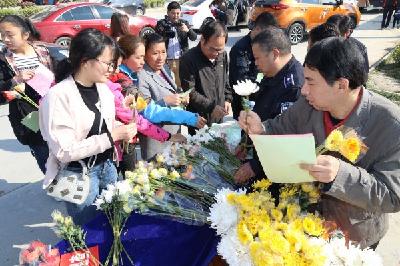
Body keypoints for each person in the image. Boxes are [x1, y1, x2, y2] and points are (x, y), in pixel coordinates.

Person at [238, 37, 400, 250]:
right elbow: (281, 126)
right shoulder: (307, 105)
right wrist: (261, 129)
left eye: (311, 82)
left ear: (342, 85)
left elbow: (392, 196)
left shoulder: (390, 123)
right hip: (307, 222)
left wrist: (341, 174)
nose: (303, 90)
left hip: (355, 239)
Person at [39, 29, 137, 224]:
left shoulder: (103, 89)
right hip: (79, 175)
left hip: (107, 167)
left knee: (116, 223)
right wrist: (112, 136)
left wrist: (122, 129)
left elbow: (102, 124)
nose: (112, 69)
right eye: (108, 63)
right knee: (88, 232)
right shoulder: (59, 96)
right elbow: (64, 151)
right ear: (85, 61)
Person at [234, 27, 304, 189]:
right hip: (262, 156)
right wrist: (247, 144)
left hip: (276, 171)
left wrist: (255, 166)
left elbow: (286, 138)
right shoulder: (274, 73)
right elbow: (263, 112)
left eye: (258, 58)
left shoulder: (293, 87)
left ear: (274, 54)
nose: (256, 64)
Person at [137, 33, 206, 160]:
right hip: (156, 139)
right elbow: (145, 112)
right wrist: (165, 101)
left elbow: (171, 90)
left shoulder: (164, 68)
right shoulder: (141, 76)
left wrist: (181, 97)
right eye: (155, 53)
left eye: (163, 52)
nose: (160, 57)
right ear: (145, 54)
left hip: (174, 132)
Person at [0, 15, 53, 174]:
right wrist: (16, 80)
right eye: (2, 35)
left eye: (10, 34)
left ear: (25, 34)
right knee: (41, 150)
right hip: (28, 115)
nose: (5, 39)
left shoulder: (43, 51)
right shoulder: (3, 59)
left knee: (60, 147)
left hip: (52, 108)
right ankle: (53, 183)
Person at [180, 19, 232, 135]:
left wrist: (228, 98)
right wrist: (211, 107)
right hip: (198, 120)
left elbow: (225, 77)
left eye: (220, 49)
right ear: (203, 39)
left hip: (219, 115)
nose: (216, 54)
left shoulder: (222, 55)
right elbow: (189, 92)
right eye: (213, 49)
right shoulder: (188, 59)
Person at [229, 12, 278, 119]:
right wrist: (262, 81)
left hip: (259, 101)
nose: (268, 38)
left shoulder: (264, 45)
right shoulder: (240, 49)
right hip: (244, 103)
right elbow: (242, 81)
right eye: (266, 34)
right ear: (257, 29)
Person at [155, 1, 197, 88]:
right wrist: (165, 32)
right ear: (168, 13)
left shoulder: (184, 23)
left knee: (181, 84)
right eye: (173, 13)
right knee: (166, 83)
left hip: (181, 59)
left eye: (178, 13)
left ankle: (182, 98)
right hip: (166, 60)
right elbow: (156, 39)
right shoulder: (162, 24)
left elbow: (194, 37)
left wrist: (188, 30)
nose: (176, 16)